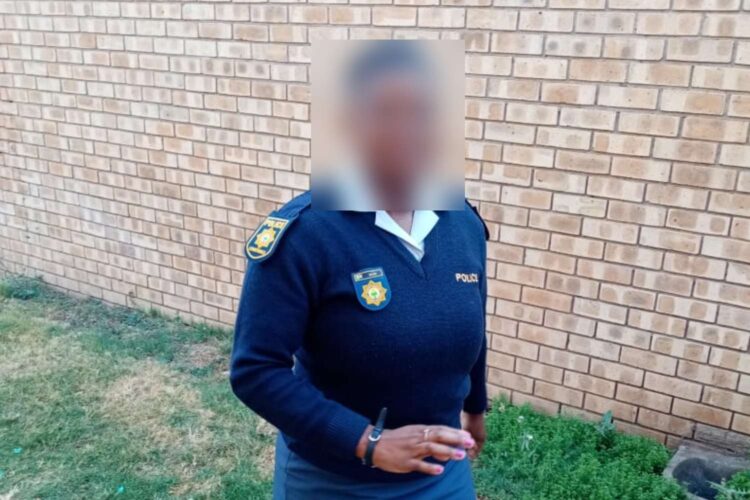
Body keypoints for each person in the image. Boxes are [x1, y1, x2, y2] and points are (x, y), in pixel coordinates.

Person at [230, 41, 488, 499]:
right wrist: (368, 442)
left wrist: (475, 409)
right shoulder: (306, 235)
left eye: (423, 112)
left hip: (441, 474)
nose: (407, 130)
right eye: (385, 112)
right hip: (332, 479)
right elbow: (256, 370)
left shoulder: (461, 222)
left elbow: (472, 323)